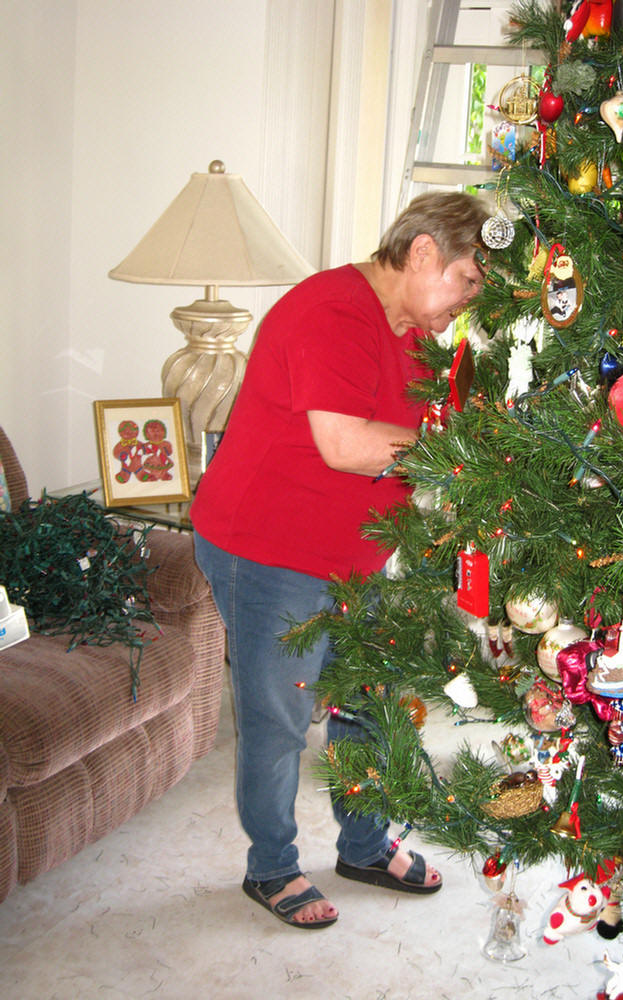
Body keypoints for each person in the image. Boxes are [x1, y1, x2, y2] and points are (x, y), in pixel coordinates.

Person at [190, 191, 489, 929]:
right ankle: (273, 867)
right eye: (467, 282)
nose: (466, 304)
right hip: (265, 546)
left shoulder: (415, 329)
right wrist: (456, 456)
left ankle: (363, 843)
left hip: (359, 555)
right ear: (424, 254)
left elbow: (414, 433)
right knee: (280, 713)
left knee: (370, 699)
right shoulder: (330, 311)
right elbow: (348, 445)